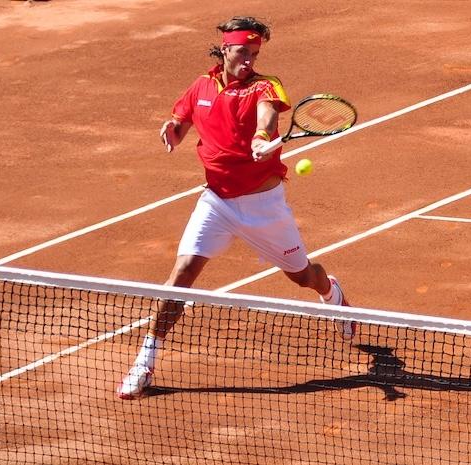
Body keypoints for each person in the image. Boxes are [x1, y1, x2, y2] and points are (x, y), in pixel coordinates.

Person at [117, 16, 355, 400]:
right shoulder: (200, 87)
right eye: (242, 51)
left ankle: (331, 293)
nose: (248, 59)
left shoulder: (265, 85)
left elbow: (268, 112)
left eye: (254, 53)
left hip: (265, 208)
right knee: (180, 276)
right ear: (224, 49)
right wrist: (173, 130)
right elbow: (181, 120)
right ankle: (144, 362)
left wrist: (263, 136)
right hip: (216, 202)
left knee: (303, 276)